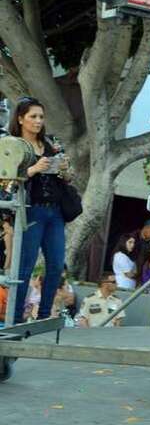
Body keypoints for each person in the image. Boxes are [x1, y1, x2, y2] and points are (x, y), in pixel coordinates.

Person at [10, 97, 71, 324]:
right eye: (33, 116)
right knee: (25, 267)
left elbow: (67, 178)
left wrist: (64, 169)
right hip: (30, 209)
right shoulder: (13, 144)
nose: (38, 121)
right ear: (20, 119)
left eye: (41, 117)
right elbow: (8, 180)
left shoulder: (49, 143)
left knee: (56, 265)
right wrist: (34, 168)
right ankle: (15, 317)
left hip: (55, 211)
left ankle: (44, 315)